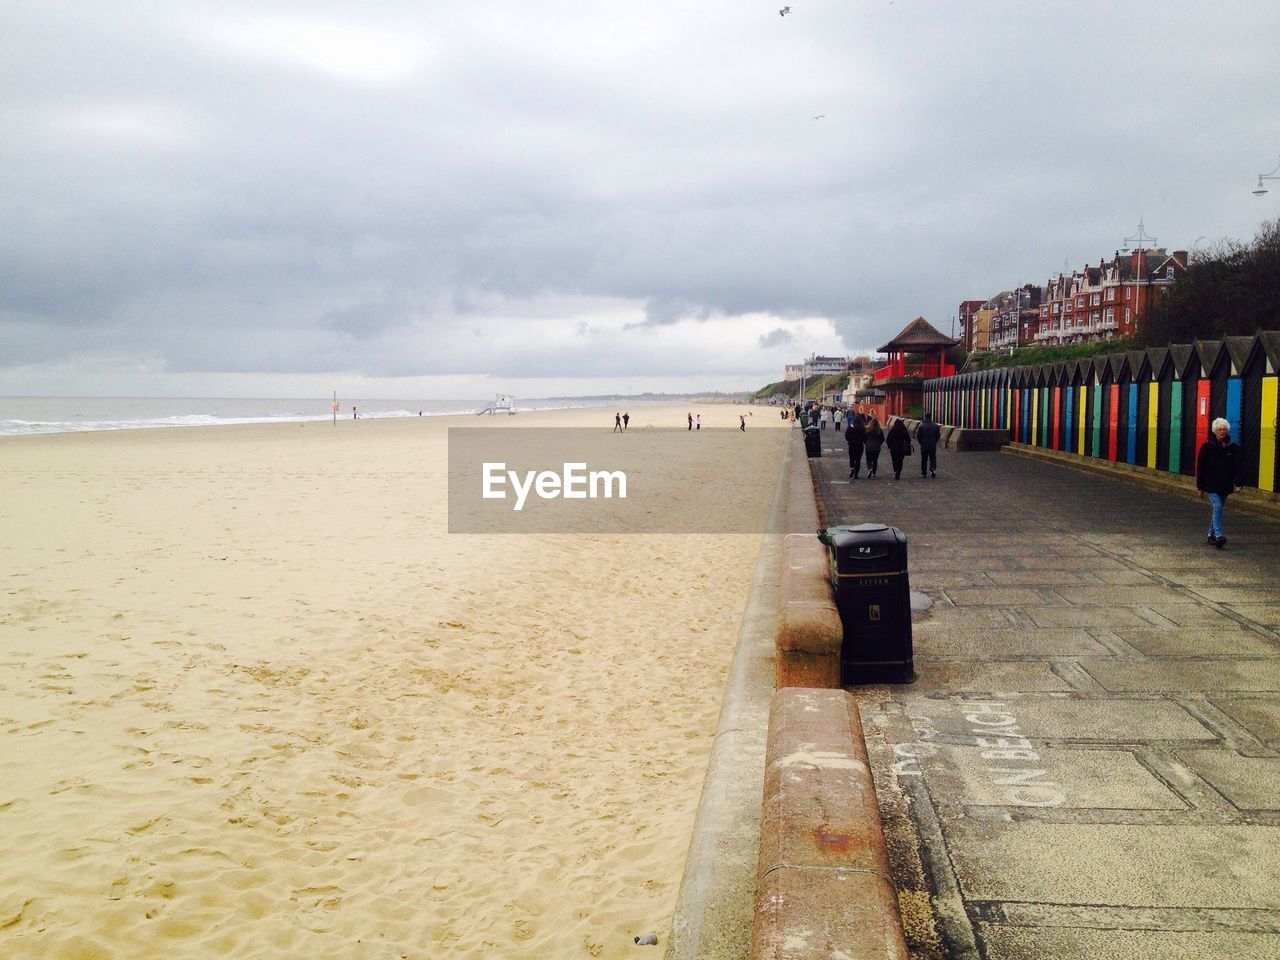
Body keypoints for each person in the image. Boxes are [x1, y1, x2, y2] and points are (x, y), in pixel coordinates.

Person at [1196, 417, 1243, 549]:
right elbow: (1201, 467)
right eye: (1219, 429)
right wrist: (1200, 486)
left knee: (1219, 509)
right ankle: (1219, 536)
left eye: (1224, 429)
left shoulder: (1233, 447)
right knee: (1217, 507)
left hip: (1225, 485)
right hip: (1210, 484)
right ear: (1214, 431)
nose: (1222, 431)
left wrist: (1238, 483)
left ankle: (1210, 535)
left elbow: (1238, 466)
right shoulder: (1207, 447)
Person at [917, 412, 941, 478]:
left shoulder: (921, 426)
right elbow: (938, 436)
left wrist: (921, 443)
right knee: (932, 458)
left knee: (924, 459)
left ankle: (923, 472)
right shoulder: (935, 426)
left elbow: (918, 436)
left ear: (925, 417)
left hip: (924, 445)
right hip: (932, 445)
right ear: (931, 417)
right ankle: (932, 469)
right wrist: (934, 442)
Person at [844, 413, 866, 479]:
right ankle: (856, 474)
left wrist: (850, 440)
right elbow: (865, 437)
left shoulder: (850, 427)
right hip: (859, 445)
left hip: (852, 445)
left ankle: (852, 468)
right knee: (858, 460)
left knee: (852, 459)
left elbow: (846, 436)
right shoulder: (862, 428)